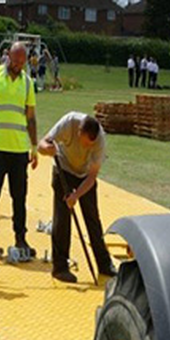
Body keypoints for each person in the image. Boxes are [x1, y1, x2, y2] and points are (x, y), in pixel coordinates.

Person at [38, 112, 116, 283]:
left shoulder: (99, 141)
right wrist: (47, 149)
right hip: (63, 170)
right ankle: (60, 267)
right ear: (79, 132)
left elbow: (92, 177)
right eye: (86, 143)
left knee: (92, 218)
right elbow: (41, 145)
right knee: (62, 219)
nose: (88, 148)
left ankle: (104, 264)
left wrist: (76, 195)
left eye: (91, 145)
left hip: (84, 175)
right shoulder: (69, 123)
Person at [0, 42, 38, 258]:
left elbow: (30, 117)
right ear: (8, 57)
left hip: (18, 150)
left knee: (19, 197)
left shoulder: (27, 82)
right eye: (15, 61)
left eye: (22, 62)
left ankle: (20, 237)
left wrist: (33, 147)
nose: (18, 65)